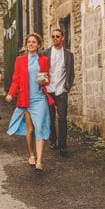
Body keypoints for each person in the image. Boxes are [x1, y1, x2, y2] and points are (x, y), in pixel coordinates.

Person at [5, 33, 54, 173]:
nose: (31, 44)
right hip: (26, 99)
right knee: (30, 129)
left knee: (40, 128)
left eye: (34, 42)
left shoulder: (44, 60)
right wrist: (10, 93)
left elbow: (47, 78)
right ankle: (31, 154)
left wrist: (44, 80)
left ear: (38, 45)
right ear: (26, 45)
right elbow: (16, 79)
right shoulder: (20, 60)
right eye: (29, 42)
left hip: (40, 99)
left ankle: (39, 161)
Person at [42, 29, 75, 157]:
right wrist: (42, 85)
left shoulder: (68, 55)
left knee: (62, 118)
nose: (55, 38)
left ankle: (62, 146)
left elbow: (71, 73)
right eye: (53, 36)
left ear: (62, 38)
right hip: (49, 90)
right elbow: (40, 69)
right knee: (50, 118)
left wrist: (68, 87)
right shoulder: (45, 53)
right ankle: (53, 140)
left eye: (57, 36)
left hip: (61, 90)